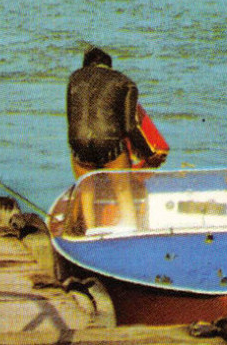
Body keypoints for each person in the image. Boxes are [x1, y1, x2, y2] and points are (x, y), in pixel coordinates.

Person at [65, 47, 167, 231]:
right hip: (109, 146)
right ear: (109, 66)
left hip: (79, 145)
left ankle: (91, 233)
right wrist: (147, 154)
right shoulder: (126, 83)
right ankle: (130, 229)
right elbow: (130, 127)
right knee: (122, 190)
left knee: (87, 190)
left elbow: (71, 118)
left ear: (86, 66)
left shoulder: (74, 78)